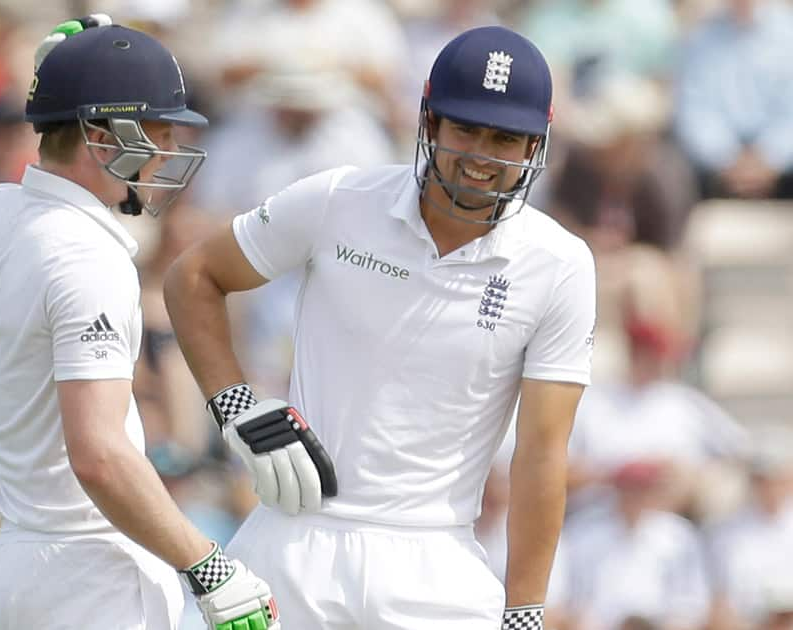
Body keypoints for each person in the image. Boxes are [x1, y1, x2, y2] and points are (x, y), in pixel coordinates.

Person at [165, 25, 597, 630]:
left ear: (535, 146)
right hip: (295, 538)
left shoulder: (559, 264)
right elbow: (194, 277)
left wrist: (524, 613)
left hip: (437, 560)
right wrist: (237, 406)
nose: (480, 154)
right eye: (465, 128)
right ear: (429, 123)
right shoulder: (340, 199)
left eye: (505, 138)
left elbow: (541, 455)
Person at [0, 18, 278, 630]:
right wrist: (208, 564)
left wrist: (64, 78)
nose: (165, 157)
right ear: (103, 140)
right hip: (92, 575)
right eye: (156, 135)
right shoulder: (87, 258)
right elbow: (99, 454)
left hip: (22, 564)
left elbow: (37, 171)